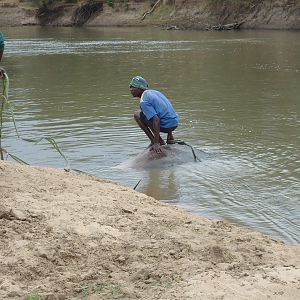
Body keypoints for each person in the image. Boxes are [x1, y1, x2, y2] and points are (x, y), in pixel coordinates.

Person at [130, 76, 179, 154]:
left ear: (140, 88)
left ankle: (156, 141)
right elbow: (166, 109)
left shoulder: (144, 101)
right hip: (174, 124)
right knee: (145, 113)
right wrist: (170, 134)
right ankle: (169, 137)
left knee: (137, 115)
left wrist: (156, 143)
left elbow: (156, 120)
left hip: (165, 126)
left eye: (133, 87)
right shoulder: (155, 92)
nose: (131, 89)